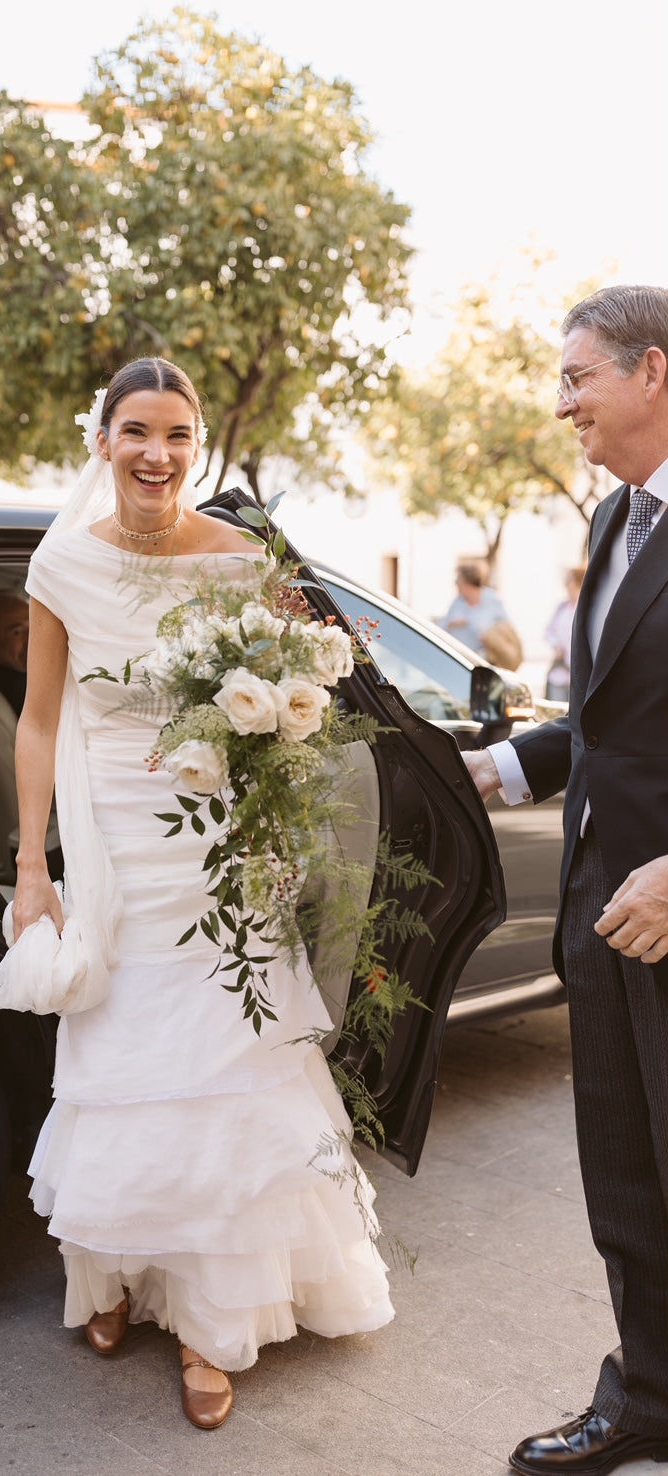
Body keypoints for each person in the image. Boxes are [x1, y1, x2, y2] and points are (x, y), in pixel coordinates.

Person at [11, 358, 393, 1431]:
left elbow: (303, 692)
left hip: (222, 855)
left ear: (198, 449)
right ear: (102, 442)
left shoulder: (240, 558)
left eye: (178, 435)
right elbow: (39, 720)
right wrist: (33, 867)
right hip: (120, 854)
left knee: (222, 1072)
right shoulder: (62, 569)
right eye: (136, 430)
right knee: (125, 1066)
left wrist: (281, 769)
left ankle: (209, 1325)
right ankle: (119, 1276)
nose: (157, 453)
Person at [463, 285, 668, 1476]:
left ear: (652, 372)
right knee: (626, 1184)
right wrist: (490, 768)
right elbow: (608, 723)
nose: (561, 403)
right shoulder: (613, 521)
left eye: (579, 377)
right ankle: (648, 1397)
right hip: (601, 916)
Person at [437, 560, 515, 662]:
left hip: (486, 660)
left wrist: (490, 635)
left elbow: (506, 627)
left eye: (458, 579)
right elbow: (441, 627)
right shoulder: (458, 602)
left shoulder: (492, 600)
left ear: (467, 582)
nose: (455, 583)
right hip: (461, 659)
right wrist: (451, 623)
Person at [543, 564, 586, 701]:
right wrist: (556, 646)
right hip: (560, 671)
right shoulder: (562, 607)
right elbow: (549, 631)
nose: (567, 583)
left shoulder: (586, 607)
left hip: (580, 673)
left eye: (570, 580)